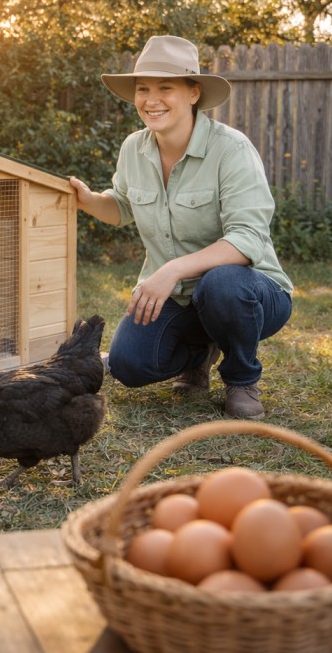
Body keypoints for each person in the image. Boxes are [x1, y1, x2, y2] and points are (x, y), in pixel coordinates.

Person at [69, 35, 293, 420]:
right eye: (143, 89)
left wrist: (171, 270)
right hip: (178, 296)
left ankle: (242, 379)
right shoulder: (132, 149)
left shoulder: (232, 150)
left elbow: (246, 239)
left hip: (251, 293)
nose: (150, 100)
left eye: (165, 88)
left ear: (193, 92)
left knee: (221, 283)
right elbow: (121, 206)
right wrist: (88, 199)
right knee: (127, 364)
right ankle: (200, 354)